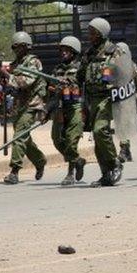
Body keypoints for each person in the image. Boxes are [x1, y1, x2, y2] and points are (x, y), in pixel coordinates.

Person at [78, 17, 123, 187]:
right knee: (97, 137)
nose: (90, 36)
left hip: (108, 98)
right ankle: (106, 174)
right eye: (89, 32)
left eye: (93, 32)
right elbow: (80, 74)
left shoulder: (114, 51)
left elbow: (125, 73)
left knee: (100, 130)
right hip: (92, 99)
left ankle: (114, 163)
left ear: (102, 33)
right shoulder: (89, 53)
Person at [0, 31, 48, 185]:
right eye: (14, 47)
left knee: (19, 136)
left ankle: (14, 171)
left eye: (20, 47)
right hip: (19, 105)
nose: (17, 50)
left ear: (27, 47)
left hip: (32, 104)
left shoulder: (33, 62)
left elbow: (26, 82)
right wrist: (1, 77)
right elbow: (10, 85)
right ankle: (40, 160)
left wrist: (8, 76)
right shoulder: (15, 65)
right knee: (23, 137)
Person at [50, 36, 86, 186]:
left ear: (74, 52)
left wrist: (70, 83)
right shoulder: (57, 69)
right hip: (59, 107)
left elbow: (84, 82)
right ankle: (78, 160)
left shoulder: (80, 68)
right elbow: (51, 87)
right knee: (57, 139)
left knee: (71, 141)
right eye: (62, 50)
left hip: (76, 107)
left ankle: (70, 174)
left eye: (67, 50)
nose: (63, 53)